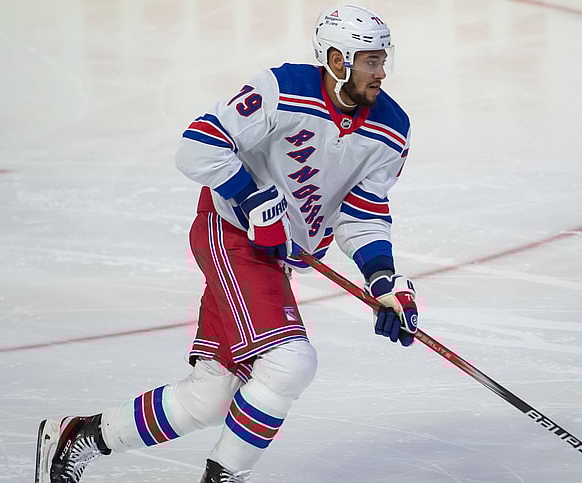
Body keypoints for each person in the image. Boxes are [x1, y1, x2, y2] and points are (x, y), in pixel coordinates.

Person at [35, 5, 418, 482]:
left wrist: (382, 279)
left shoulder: (391, 128)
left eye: (382, 60)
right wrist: (250, 196)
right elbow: (198, 145)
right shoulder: (282, 90)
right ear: (337, 59)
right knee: (288, 362)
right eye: (369, 61)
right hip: (230, 234)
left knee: (212, 394)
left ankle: (79, 437)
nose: (380, 72)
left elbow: (362, 214)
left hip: (272, 258)